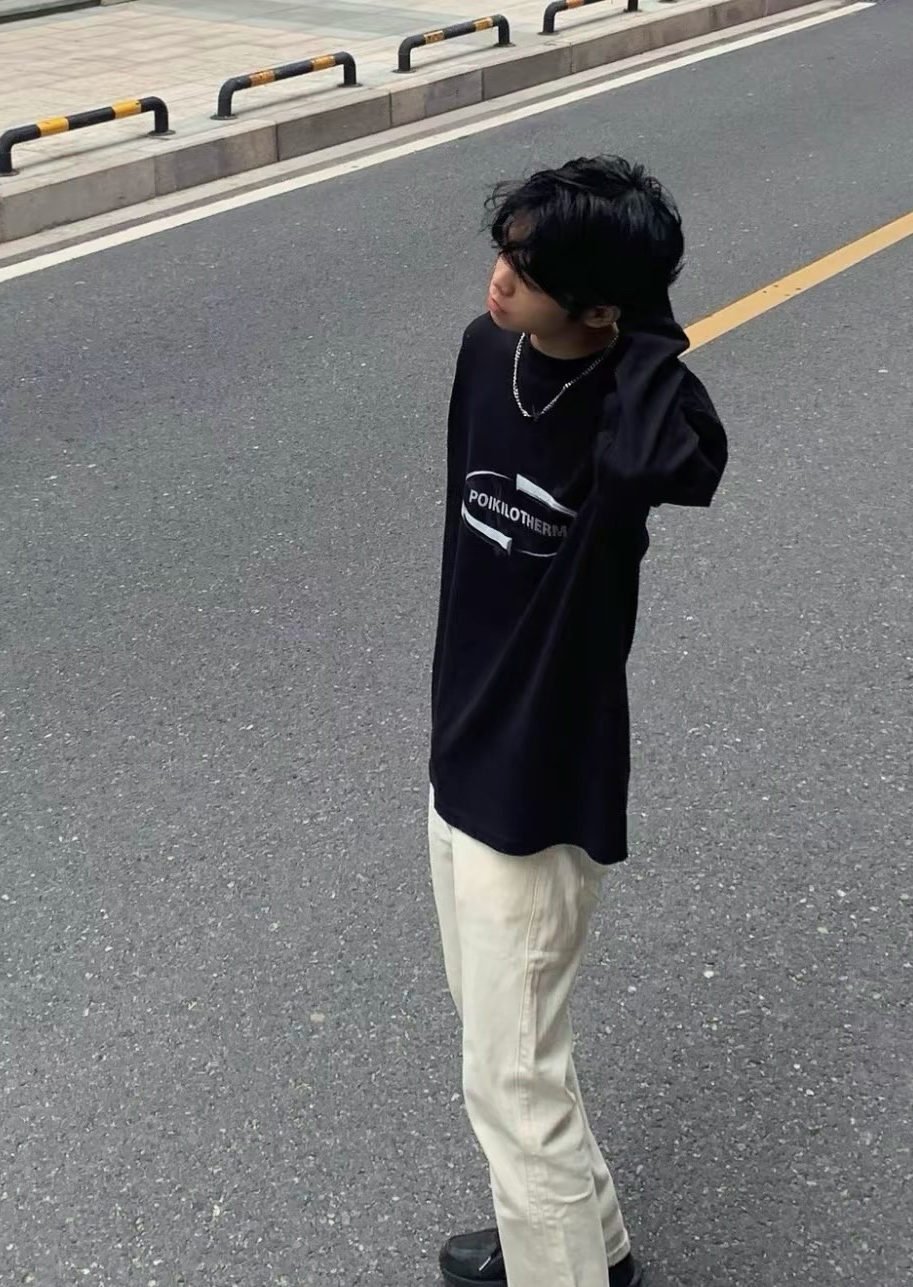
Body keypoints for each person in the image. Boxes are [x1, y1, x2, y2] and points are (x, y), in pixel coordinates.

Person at [428, 156, 728, 1287]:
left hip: (547, 777)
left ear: (602, 308)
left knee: (509, 1083)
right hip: (465, 739)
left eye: (532, 270)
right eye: (505, 251)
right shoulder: (484, 351)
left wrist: (638, 332)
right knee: (514, 1050)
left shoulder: (632, 421)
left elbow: (684, 462)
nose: (500, 280)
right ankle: (591, 1248)